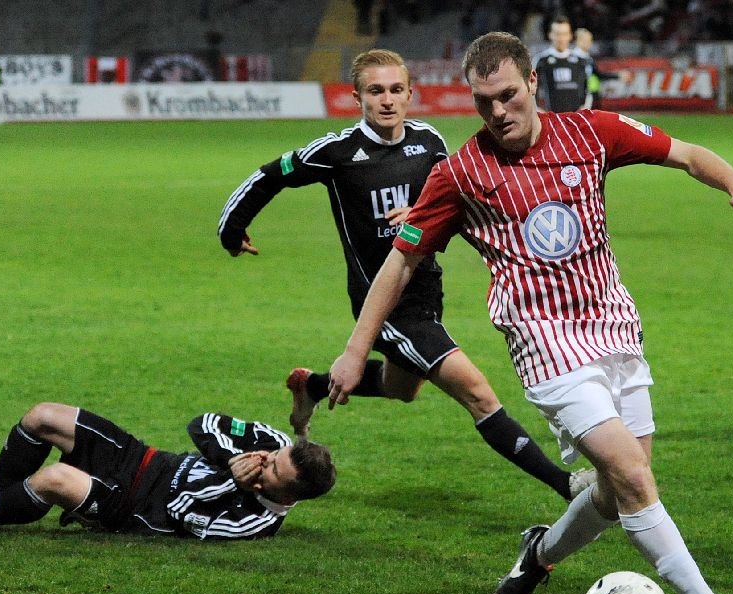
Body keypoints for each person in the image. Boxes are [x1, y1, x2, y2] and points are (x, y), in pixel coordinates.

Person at [328, 32, 733, 594]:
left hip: (614, 327)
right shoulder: (459, 173)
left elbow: (686, 153)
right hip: (545, 345)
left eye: (508, 95)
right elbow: (400, 263)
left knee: (617, 492)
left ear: (533, 82)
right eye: (483, 102)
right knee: (633, 477)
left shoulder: (591, 132)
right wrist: (356, 350)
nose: (498, 112)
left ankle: (538, 554)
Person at [218, 48, 593, 502]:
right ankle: (567, 485)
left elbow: (454, 199)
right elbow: (270, 175)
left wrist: (420, 211)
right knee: (478, 394)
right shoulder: (337, 153)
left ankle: (311, 385)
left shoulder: (428, 142)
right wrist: (231, 231)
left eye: (396, 89)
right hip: (386, 307)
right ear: (356, 97)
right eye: (376, 91)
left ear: (410, 94)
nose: (387, 100)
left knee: (402, 389)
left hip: (427, 291)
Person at [0, 402, 336, 540]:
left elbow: (180, 512)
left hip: (132, 505)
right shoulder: (273, 443)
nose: (264, 459)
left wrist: (232, 482)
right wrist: (228, 460)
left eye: (272, 470)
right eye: (273, 455)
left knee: (53, 479)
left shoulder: (254, 522)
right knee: (42, 416)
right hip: (140, 458)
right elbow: (204, 423)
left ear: (287, 495)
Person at [532, 15, 592, 112]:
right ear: (550, 35)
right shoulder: (541, 60)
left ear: (570, 35)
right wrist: (536, 109)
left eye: (564, 34)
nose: (561, 38)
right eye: (557, 34)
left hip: (575, 117)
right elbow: (531, 87)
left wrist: (585, 108)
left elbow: (588, 88)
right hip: (552, 117)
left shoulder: (580, 61)